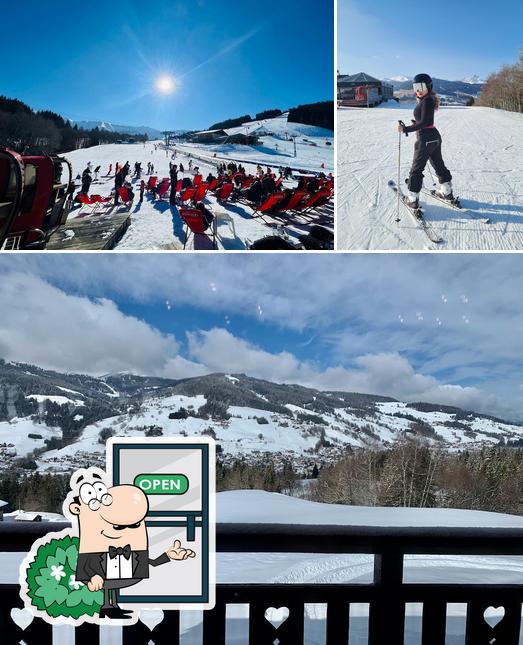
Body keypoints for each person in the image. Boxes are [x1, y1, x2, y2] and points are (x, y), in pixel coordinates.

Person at [69, 469, 195, 620]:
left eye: (135, 525)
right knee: (108, 587)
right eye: (118, 526)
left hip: (119, 577)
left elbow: (151, 563)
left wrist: (168, 556)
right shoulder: (92, 551)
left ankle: (112, 607)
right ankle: (106, 607)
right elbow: (86, 566)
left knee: (112, 588)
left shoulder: (133, 552)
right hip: (100, 580)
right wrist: (92, 577)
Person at [398, 73, 453, 208]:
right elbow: (425, 120)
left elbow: (423, 123)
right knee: (438, 164)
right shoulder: (427, 100)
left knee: (416, 170)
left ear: (429, 86)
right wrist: (415, 123)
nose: (418, 89)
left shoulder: (427, 100)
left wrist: (406, 129)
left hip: (426, 138)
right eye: (415, 86)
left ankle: (412, 200)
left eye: (421, 86)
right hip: (434, 137)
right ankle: (446, 192)